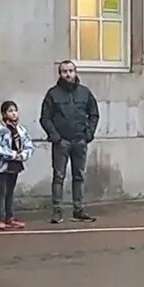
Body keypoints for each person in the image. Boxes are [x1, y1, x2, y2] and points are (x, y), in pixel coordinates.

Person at [39, 60, 99, 224]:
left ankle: (78, 209)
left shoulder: (85, 93)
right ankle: (57, 211)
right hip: (61, 142)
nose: (68, 74)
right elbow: (45, 118)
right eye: (64, 71)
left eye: (71, 71)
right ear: (60, 74)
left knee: (78, 176)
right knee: (58, 176)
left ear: (75, 72)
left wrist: (89, 133)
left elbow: (94, 114)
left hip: (80, 141)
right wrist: (55, 136)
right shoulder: (53, 94)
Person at [0, 100, 34, 230]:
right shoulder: (0, 129)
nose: (13, 114)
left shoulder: (20, 129)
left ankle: (10, 217)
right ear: (4, 114)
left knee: (10, 192)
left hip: (15, 165)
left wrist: (23, 155)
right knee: (2, 192)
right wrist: (12, 154)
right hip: (3, 165)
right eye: (10, 111)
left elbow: (28, 144)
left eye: (15, 111)